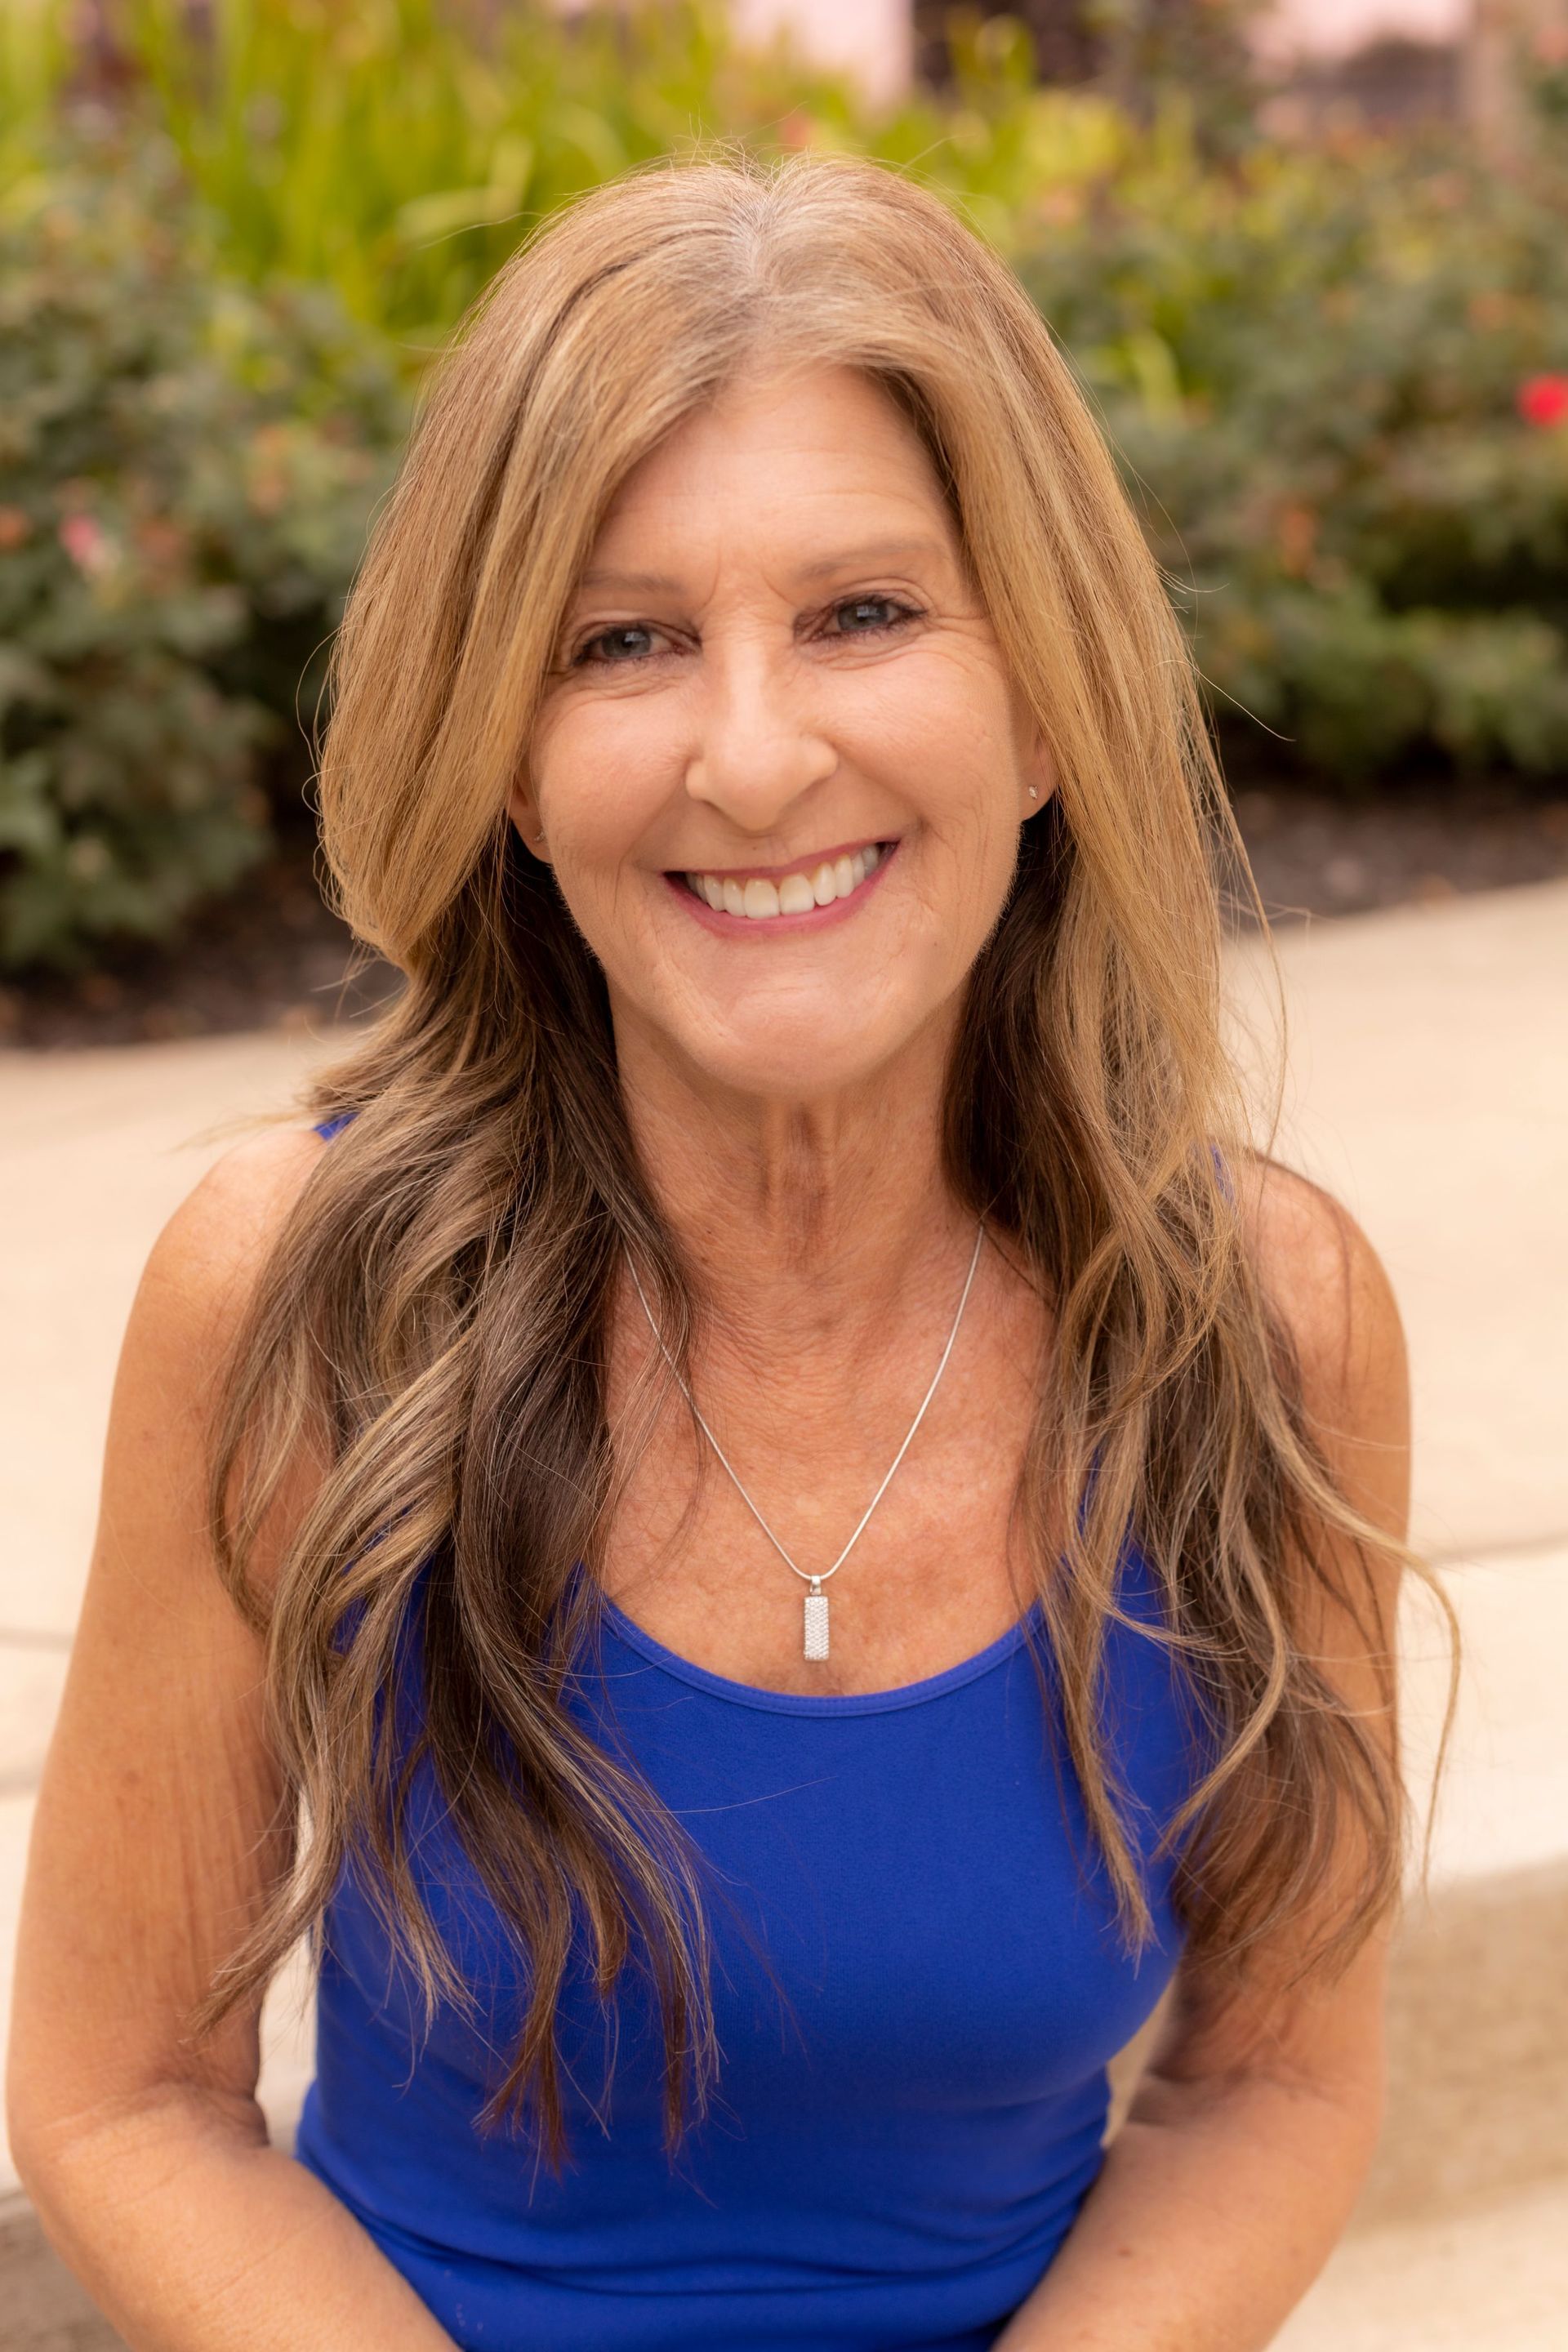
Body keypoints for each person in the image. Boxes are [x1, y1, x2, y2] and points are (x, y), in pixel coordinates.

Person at [8, 149, 1457, 2350]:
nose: (755, 756)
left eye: (865, 613)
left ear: (1045, 702)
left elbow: (1273, 2078)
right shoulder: (301, 1301)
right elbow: (122, 2098)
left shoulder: (1265, 1325)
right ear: (509, 760)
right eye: (626, 643)